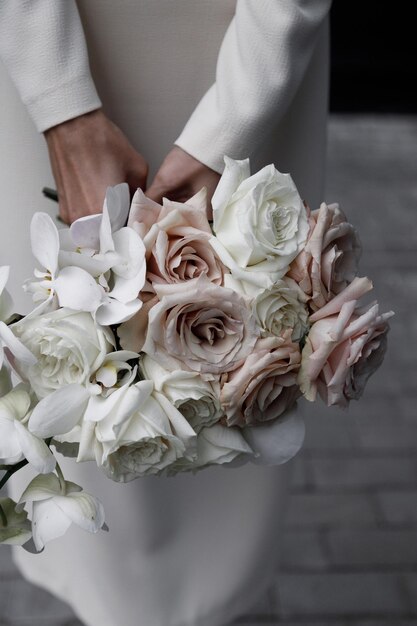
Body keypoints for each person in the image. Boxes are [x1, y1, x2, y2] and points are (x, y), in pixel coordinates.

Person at [0, 1, 332, 625]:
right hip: (55, 31)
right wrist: (61, 104)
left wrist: (231, 122)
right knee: (62, 356)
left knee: (243, 373)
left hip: (241, 41)